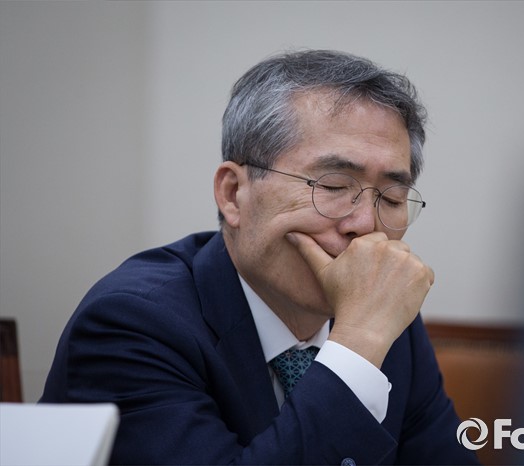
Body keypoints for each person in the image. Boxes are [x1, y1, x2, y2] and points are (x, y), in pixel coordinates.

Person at [41, 49, 479, 465]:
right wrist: (357, 345)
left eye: (392, 196)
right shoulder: (133, 323)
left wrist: (363, 334)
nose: (366, 225)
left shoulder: (386, 320)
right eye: (332, 186)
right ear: (234, 193)